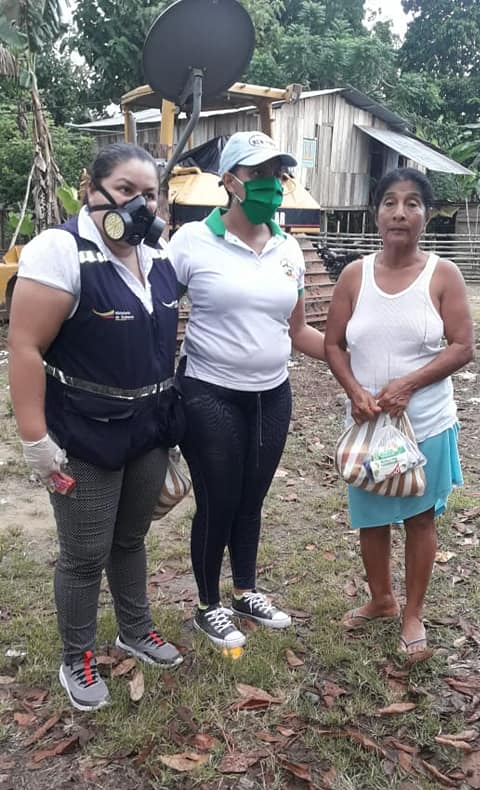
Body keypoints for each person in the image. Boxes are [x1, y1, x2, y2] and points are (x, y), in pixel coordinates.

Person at [8, 143, 183, 712]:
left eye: (149, 194)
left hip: (149, 429)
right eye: (126, 190)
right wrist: (35, 439)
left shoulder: (156, 253)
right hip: (85, 434)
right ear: (92, 189)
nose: (139, 205)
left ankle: (135, 629)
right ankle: (77, 657)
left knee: (130, 540)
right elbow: (25, 346)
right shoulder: (61, 250)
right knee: (84, 554)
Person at [168, 131, 325, 653]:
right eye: (258, 174)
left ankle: (244, 592)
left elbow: (298, 331)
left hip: (271, 395)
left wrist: (350, 359)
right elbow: (157, 309)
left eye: (277, 175)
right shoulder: (192, 242)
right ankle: (207, 605)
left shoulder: (288, 248)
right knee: (219, 499)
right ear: (230, 181)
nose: (271, 185)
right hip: (209, 393)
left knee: (252, 497)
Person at [325, 168, 474, 655]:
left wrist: (409, 383)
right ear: (376, 212)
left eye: (412, 203)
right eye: (390, 202)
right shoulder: (355, 275)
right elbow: (333, 344)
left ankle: (413, 614)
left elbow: (462, 346)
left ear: (426, 215)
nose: (400, 213)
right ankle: (381, 600)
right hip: (367, 424)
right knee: (371, 517)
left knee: (419, 518)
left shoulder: (443, 275)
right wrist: (354, 391)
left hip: (425, 424)